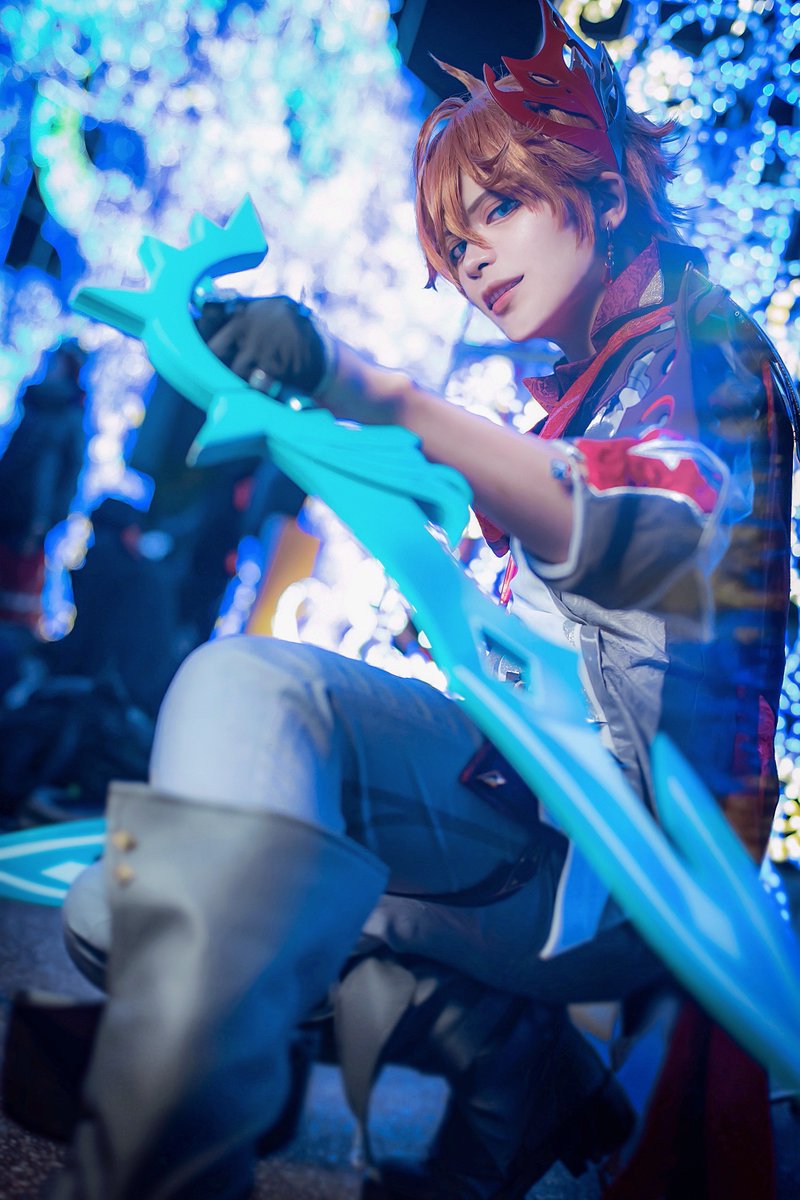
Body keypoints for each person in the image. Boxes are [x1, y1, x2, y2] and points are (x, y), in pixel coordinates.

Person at [52, 3, 796, 1198]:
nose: (474, 261)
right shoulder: (577, 386)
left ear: (604, 193)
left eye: (498, 208)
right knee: (126, 908)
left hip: (618, 870)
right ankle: (512, 1062)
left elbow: (650, 530)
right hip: (528, 820)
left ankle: (148, 1173)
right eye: (455, 239)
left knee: (237, 728)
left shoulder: (708, 354)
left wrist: (370, 389)